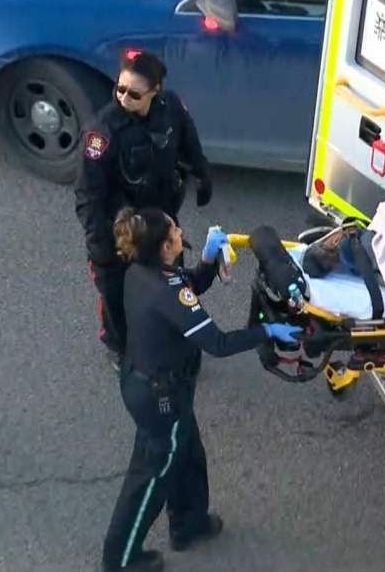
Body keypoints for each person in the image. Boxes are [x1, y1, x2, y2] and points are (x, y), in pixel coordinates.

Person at [100, 207, 301, 571]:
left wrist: (207, 262)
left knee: (188, 455)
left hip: (153, 385)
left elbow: (187, 287)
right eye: (175, 231)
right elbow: (218, 343)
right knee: (150, 477)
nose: (180, 231)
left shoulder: (143, 272)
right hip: (160, 396)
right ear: (164, 247)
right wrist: (267, 332)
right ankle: (121, 558)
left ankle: (189, 524)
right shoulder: (167, 291)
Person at [76, 50, 213, 372]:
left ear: (156, 91)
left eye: (135, 93)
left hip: (161, 220)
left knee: (173, 286)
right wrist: (100, 243)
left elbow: (189, 143)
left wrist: (203, 175)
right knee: (116, 295)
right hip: (121, 230)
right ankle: (121, 348)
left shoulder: (171, 108)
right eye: (119, 89)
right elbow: (88, 194)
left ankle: (175, 341)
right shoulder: (102, 132)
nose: (124, 98)